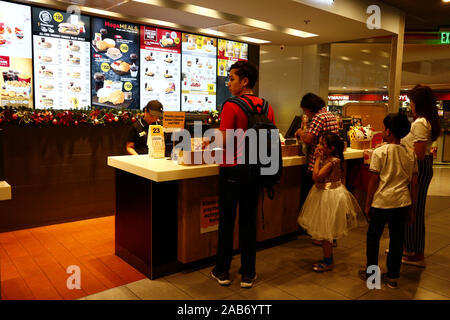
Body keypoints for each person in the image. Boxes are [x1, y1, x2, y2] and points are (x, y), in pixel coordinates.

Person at [211, 61, 275, 289]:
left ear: (244, 81)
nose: (228, 83)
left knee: (227, 223)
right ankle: (248, 273)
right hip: (256, 171)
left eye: (231, 79)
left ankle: (222, 271)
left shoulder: (231, 105)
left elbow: (225, 139)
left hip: (232, 171)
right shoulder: (266, 106)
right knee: (249, 222)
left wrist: (208, 142)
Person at [359, 113, 418, 289]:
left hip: (382, 202)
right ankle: (393, 276)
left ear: (389, 132)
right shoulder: (410, 154)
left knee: (373, 238)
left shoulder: (380, 152)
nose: (383, 131)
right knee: (397, 239)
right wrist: (412, 208)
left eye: (385, 128)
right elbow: (414, 183)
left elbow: (373, 180)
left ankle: (372, 276)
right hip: (402, 203)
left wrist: (367, 203)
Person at [297, 133, 360, 272]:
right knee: (325, 231)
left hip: (328, 196)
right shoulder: (331, 159)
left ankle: (328, 261)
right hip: (326, 194)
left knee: (326, 232)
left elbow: (316, 176)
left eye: (321, 144)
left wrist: (317, 158)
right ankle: (327, 258)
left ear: (331, 148)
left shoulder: (332, 161)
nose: (318, 146)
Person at [401, 85, 441, 267]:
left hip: (418, 168)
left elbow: (418, 153)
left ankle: (414, 252)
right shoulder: (427, 121)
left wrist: (399, 148)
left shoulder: (420, 123)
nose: (411, 105)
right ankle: (409, 247)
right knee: (414, 208)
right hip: (423, 166)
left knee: (413, 209)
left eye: (412, 102)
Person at [294, 93, 339, 247]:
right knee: (327, 203)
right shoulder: (330, 115)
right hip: (331, 162)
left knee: (317, 202)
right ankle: (329, 235)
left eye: (306, 110)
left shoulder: (319, 117)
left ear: (310, 108)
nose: (305, 114)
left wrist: (300, 132)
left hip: (319, 163)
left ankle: (320, 235)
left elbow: (308, 139)